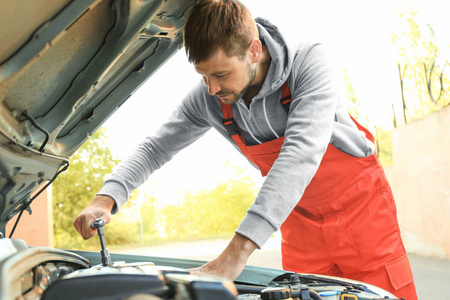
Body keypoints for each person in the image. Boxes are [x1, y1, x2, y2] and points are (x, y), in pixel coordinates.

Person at [73, 0, 417, 299]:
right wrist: (106, 198)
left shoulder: (310, 62)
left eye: (220, 74)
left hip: (361, 213)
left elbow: (299, 155)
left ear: (253, 50)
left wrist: (235, 254)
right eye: (203, 75)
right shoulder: (211, 97)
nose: (211, 88)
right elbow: (154, 148)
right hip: (296, 218)